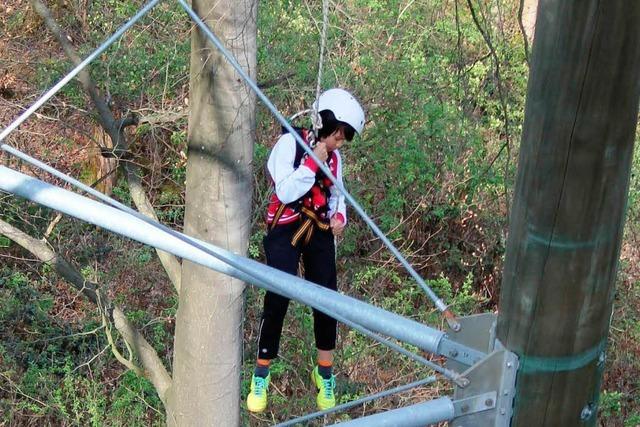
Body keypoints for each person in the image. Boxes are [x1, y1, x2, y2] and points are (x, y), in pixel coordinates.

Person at [246, 88, 365, 413]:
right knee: (279, 291)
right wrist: (313, 163)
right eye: (335, 134)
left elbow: (338, 195)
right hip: (286, 225)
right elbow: (285, 190)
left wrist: (340, 216)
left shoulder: (335, 159)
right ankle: (262, 372)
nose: (338, 142)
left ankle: (324, 371)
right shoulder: (289, 144)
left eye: (343, 138)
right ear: (323, 123)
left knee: (327, 296)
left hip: (318, 227)